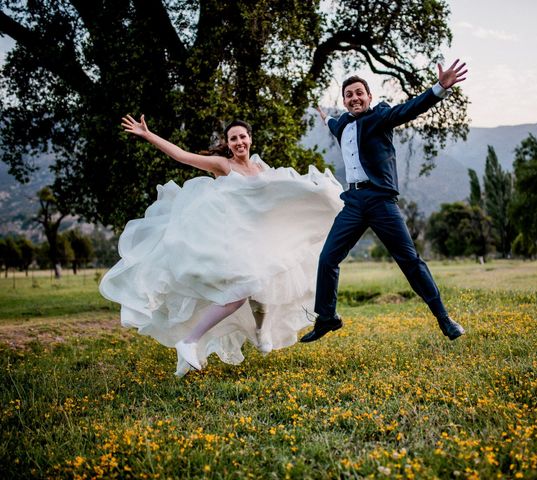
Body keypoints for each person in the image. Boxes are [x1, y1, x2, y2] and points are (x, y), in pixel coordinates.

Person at [100, 116, 343, 376]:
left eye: (242, 137)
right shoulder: (223, 165)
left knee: (266, 290)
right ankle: (189, 341)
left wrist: (317, 192)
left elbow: (279, 195)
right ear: (228, 144)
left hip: (261, 242)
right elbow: (182, 155)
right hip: (234, 243)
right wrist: (148, 135)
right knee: (240, 292)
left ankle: (260, 333)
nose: (239, 142)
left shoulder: (261, 168)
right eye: (233, 138)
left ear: (250, 139)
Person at [300, 59, 468, 343]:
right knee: (328, 258)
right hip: (353, 202)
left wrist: (439, 88)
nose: (354, 98)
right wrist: (323, 115)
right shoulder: (340, 124)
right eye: (349, 95)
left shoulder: (381, 116)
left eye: (359, 93)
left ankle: (444, 319)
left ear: (369, 97)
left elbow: (410, 108)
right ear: (344, 101)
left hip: (380, 201)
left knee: (410, 261)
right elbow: (330, 121)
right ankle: (327, 318)